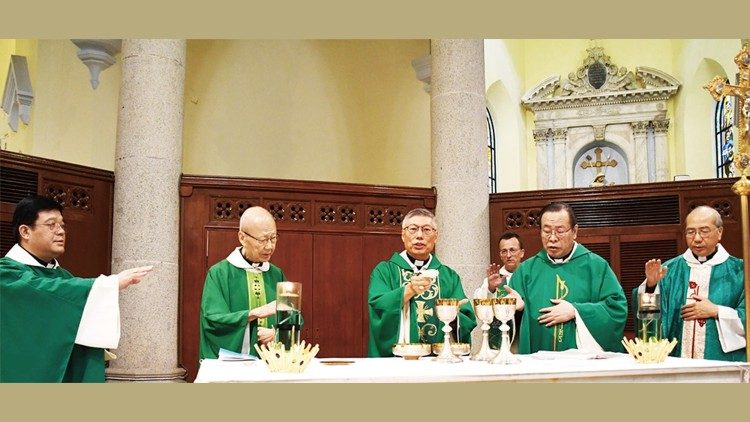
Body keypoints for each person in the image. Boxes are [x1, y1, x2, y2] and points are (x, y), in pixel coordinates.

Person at [0, 195, 152, 382]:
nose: (60, 231)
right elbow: (41, 289)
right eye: (51, 225)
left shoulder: (63, 277)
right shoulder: (6, 274)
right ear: (25, 231)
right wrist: (108, 284)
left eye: (62, 225)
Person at [508, 202, 627, 354]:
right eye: (546, 231)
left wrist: (576, 311)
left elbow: (616, 309)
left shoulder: (595, 266)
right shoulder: (525, 271)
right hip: (538, 365)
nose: (552, 238)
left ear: (575, 231)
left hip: (582, 366)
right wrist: (516, 311)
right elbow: (504, 329)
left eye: (560, 231)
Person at [635, 205, 745, 361]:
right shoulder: (669, 271)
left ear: (719, 232)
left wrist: (717, 311)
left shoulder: (740, 271)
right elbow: (649, 324)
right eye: (691, 232)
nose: (697, 238)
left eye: (704, 231)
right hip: (678, 360)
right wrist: (651, 287)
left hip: (722, 363)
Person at [368, 208, 476, 357]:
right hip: (399, 359)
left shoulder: (449, 276)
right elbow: (378, 308)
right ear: (403, 235)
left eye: (426, 230)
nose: (419, 236)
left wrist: (454, 317)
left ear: (436, 236)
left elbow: (466, 317)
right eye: (413, 229)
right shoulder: (385, 271)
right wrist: (409, 290)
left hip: (439, 360)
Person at [199, 206, 287, 360]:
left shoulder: (276, 274)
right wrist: (252, 314)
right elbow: (213, 320)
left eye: (273, 238)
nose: (270, 246)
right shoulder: (219, 273)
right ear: (242, 237)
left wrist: (277, 333)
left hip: (273, 362)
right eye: (262, 240)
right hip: (234, 366)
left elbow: (293, 317)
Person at [474, 231, 525, 349]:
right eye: (504, 251)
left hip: (525, 337)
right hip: (499, 341)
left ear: (522, 253)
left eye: (512, 250)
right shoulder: (494, 279)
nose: (508, 255)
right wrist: (491, 288)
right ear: (500, 255)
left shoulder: (530, 276)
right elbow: (480, 306)